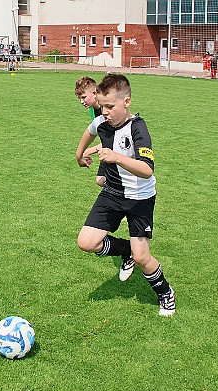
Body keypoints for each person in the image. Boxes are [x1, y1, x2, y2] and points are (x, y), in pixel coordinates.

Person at [75, 74, 175, 317]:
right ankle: (125, 251)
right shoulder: (102, 122)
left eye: (110, 106)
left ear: (127, 102)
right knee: (86, 242)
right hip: (112, 193)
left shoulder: (137, 127)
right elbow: (89, 132)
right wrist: (79, 155)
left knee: (143, 258)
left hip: (139, 198)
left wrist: (116, 157)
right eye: (103, 106)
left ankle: (165, 292)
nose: (105, 111)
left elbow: (147, 169)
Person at [75, 76, 106, 187]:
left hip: (120, 151)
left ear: (94, 93)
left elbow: (113, 139)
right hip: (108, 149)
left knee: (102, 180)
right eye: (79, 99)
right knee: (100, 180)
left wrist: (89, 151)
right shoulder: (92, 110)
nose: (81, 102)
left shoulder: (106, 111)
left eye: (84, 97)